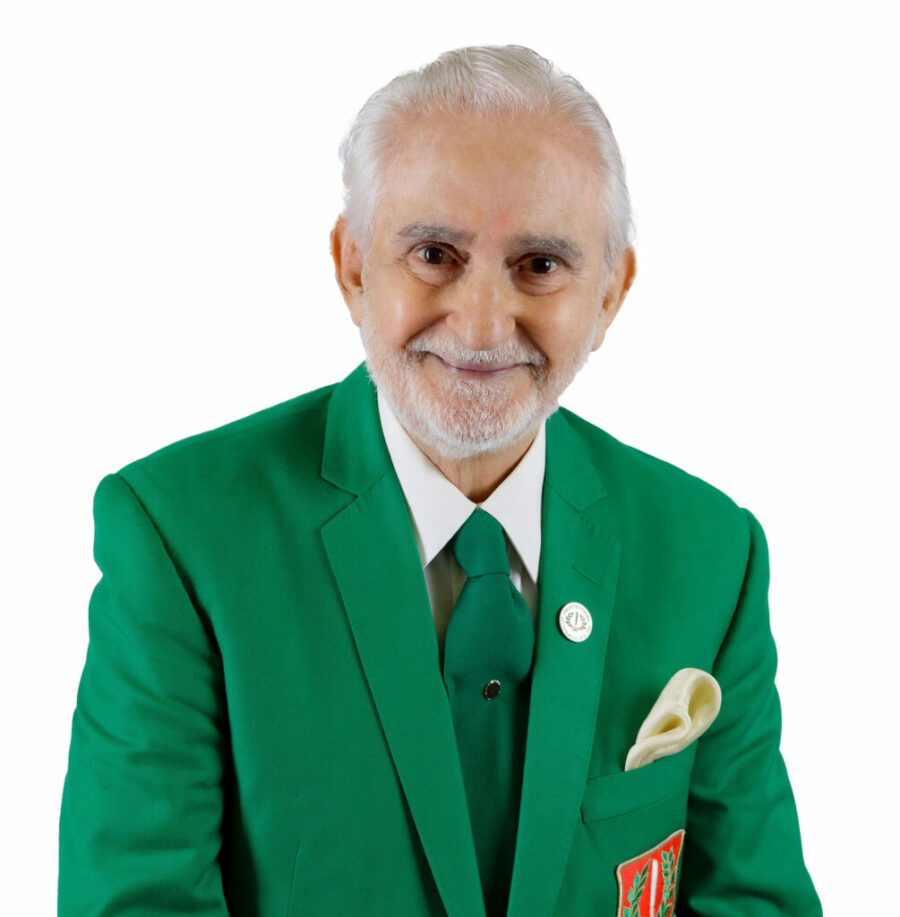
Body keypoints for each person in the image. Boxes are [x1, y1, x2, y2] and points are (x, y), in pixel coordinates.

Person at [58, 45, 820, 917]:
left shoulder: (713, 554)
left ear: (611, 294)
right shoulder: (179, 536)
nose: (483, 324)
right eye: (433, 254)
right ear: (353, 266)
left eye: (540, 264)